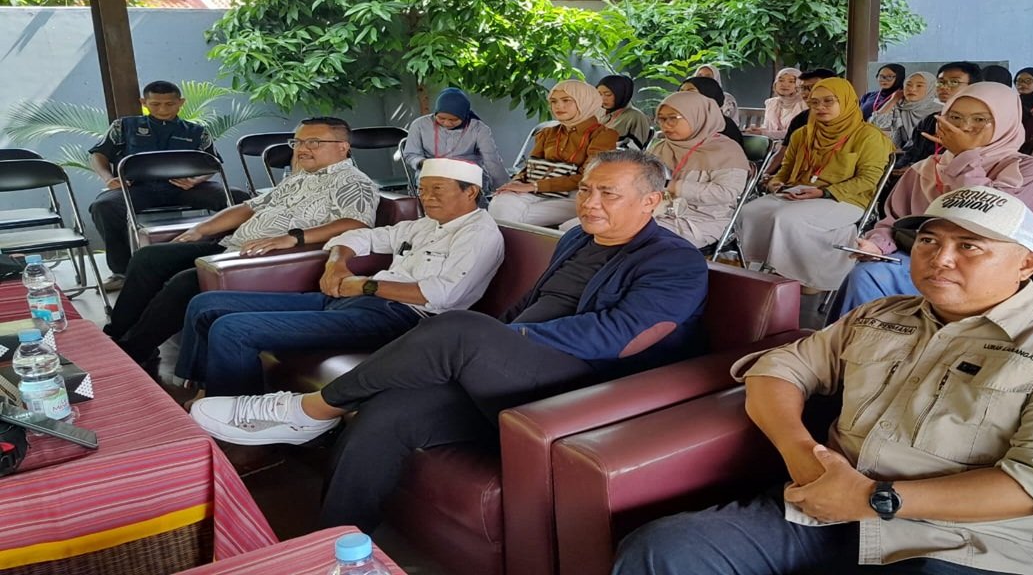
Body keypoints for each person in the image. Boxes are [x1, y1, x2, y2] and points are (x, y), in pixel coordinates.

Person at [192, 150, 710, 532]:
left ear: (651, 201)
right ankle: (337, 543)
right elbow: (534, 302)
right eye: (586, 190)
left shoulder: (673, 261)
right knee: (388, 412)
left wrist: (506, 338)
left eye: (608, 194)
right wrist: (504, 335)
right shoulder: (577, 237)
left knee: (457, 326)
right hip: (517, 368)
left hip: (582, 385)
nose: (590, 203)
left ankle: (311, 409)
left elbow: (622, 339)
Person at [614, 186, 1033, 575]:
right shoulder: (879, 316)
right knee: (664, 551)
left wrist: (873, 497)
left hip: (963, 542)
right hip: (825, 509)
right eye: (928, 240)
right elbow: (778, 369)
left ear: (1028, 264)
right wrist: (803, 459)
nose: (941, 259)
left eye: (970, 246)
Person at [176, 159, 505, 397]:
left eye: (437, 190)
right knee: (207, 303)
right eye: (422, 189)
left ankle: (236, 429)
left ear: (471, 191)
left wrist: (366, 284)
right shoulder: (425, 224)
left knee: (234, 329)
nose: (426, 197)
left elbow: (445, 295)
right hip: (350, 299)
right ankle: (202, 389)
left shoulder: (478, 234)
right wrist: (336, 264)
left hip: (400, 319)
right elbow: (363, 237)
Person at [103, 117, 379, 368]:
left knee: (185, 282)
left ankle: (133, 352)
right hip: (234, 246)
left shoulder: (353, 182)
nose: (302, 148)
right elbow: (250, 206)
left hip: (266, 260)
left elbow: (356, 223)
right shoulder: (300, 177)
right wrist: (201, 229)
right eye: (298, 142)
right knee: (148, 257)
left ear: (343, 147)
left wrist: (291, 238)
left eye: (314, 142)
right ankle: (113, 337)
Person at [829, 83, 1033, 320]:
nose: (964, 126)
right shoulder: (924, 169)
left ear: (1006, 122)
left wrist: (965, 157)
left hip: (981, 262)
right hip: (921, 258)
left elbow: (988, 215)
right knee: (868, 274)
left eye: (980, 120)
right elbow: (893, 221)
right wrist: (877, 245)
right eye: (954, 117)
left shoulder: (1025, 168)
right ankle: (850, 348)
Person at [88, 80, 248, 288]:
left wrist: (196, 180)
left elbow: (212, 164)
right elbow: (98, 154)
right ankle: (123, 272)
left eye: (169, 104)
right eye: (155, 104)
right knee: (104, 206)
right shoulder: (124, 126)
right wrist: (109, 178)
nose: (162, 109)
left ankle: (228, 255)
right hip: (136, 189)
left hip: (184, 188)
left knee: (238, 199)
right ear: (143, 102)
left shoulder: (197, 131)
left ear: (181, 102)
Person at [738, 77, 893, 292]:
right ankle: (761, 267)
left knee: (786, 218)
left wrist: (823, 191)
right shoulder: (803, 134)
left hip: (846, 198)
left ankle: (797, 276)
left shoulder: (869, 137)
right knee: (749, 211)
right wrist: (776, 182)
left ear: (846, 101)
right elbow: (786, 168)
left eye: (828, 101)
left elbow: (868, 180)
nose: (820, 107)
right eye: (814, 102)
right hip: (798, 192)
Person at [490, 80, 618, 227]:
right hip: (535, 190)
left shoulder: (603, 136)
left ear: (585, 101)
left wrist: (535, 186)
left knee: (513, 217)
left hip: (574, 194)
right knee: (501, 202)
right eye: (553, 101)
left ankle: (507, 246)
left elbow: (588, 177)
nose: (558, 106)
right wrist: (517, 181)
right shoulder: (548, 132)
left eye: (566, 100)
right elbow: (531, 166)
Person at [646, 91, 749, 248]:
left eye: (673, 118)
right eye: (661, 119)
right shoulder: (660, 147)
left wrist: (675, 187)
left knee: (642, 240)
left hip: (702, 219)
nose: (666, 124)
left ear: (698, 116)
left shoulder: (726, 150)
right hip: (657, 212)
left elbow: (726, 193)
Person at [403, 87, 508, 191]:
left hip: (468, 181)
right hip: (431, 179)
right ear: (436, 112)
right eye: (441, 118)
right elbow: (411, 154)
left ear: (464, 115)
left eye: (454, 119)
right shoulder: (419, 125)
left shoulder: (479, 129)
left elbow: (492, 161)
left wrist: (502, 189)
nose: (447, 123)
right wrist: (423, 162)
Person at [898, 61, 983, 168]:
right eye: (941, 82)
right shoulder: (930, 120)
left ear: (973, 86)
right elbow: (913, 150)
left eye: (954, 82)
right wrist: (905, 167)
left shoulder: (980, 122)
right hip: (923, 176)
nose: (944, 87)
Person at [868, 71, 942, 151]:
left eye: (919, 85)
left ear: (931, 88)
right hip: (899, 156)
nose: (912, 89)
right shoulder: (898, 106)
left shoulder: (940, 111)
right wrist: (893, 100)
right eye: (908, 84)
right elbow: (874, 127)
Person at [680, 77, 745, 146]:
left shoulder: (724, 127)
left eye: (690, 91)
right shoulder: (680, 121)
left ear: (708, 95)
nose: (682, 95)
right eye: (681, 91)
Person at [782, 68, 839, 146]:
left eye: (812, 87)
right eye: (803, 88)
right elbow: (784, 152)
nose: (805, 94)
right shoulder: (800, 119)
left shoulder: (849, 119)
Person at [748, 68, 806, 138]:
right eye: (781, 80)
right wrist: (757, 130)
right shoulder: (771, 103)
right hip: (771, 143)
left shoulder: (805, 105)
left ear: (800, 85)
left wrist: (763, 133)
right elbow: (769, 128)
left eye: (791, 81)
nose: (785, 84)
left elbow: (796, 133)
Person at [598, 75, 652, 149]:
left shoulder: (635, 117)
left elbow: (635, 151)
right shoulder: (598, 112)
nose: (602, 99)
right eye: (599, 94)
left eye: (608, 94)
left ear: (621, 94)